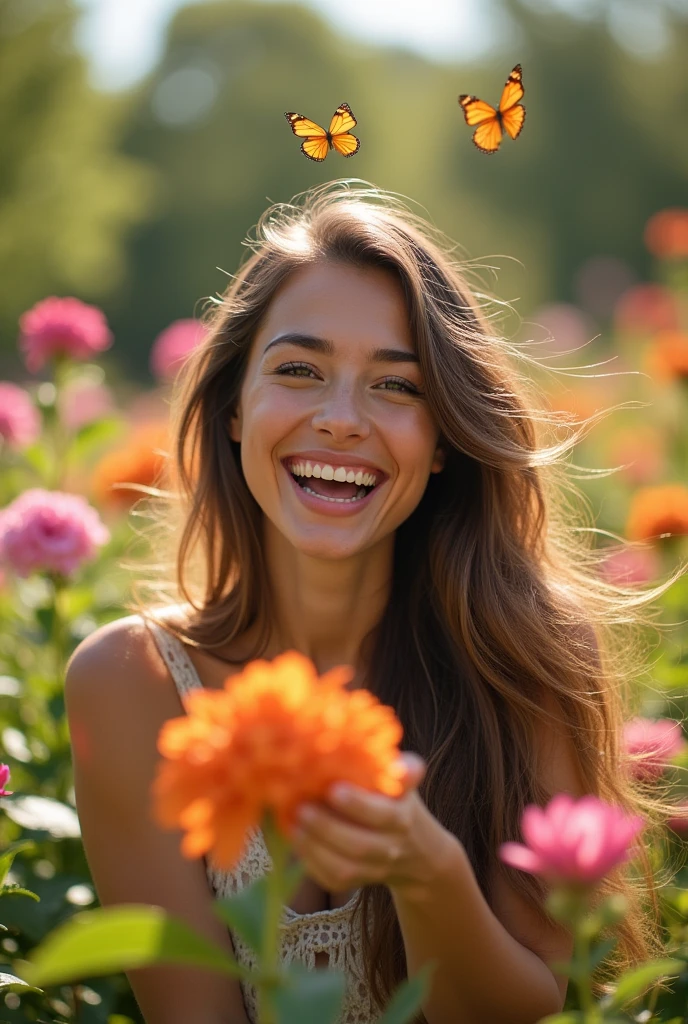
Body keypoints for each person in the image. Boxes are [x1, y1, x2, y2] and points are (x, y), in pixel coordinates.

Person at [65, 183, 664, 1024]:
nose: (342, 420)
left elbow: (540, 1006)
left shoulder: (528, 660)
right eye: (300, 371)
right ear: (234, 408)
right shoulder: (131, 685)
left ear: (447, 439)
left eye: (398, 387)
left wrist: (428, 873)